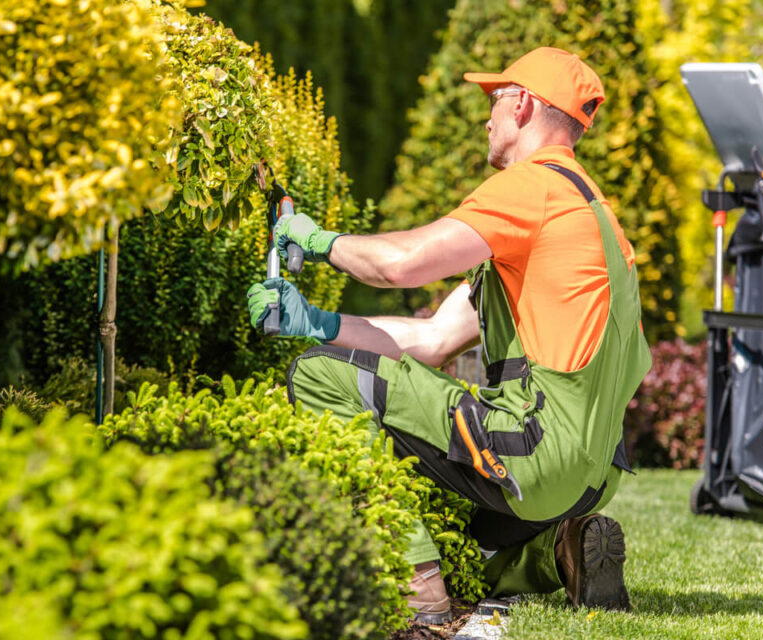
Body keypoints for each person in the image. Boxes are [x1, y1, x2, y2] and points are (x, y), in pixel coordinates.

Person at [246, 47, 651, 624]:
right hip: (589, 476)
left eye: (494, 101)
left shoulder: (532, 188)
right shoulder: (591, 214)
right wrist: (317, 323)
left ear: (524, 105)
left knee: (316, 375)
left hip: (534, 452)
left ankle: (416, 587)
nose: (486, 117)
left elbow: (400, 265)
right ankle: (557, 553)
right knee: (454, 534)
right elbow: (434, 339)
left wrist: (317, 240)